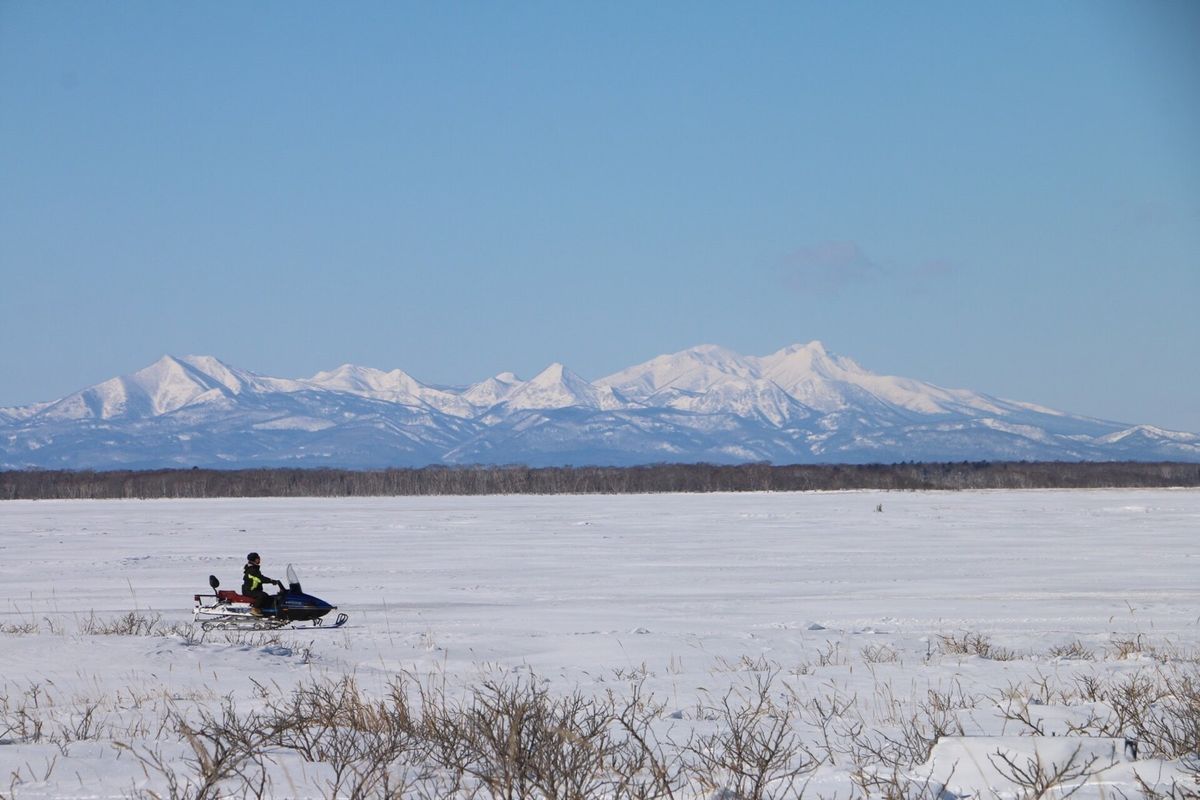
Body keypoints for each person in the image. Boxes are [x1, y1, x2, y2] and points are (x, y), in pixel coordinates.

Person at [242, 552, 283, 616]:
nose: (259, 560)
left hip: (252, 590)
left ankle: (263, 610)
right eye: (258, 558)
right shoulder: (252, 570)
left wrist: (272, 581)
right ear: (254, 559)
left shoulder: (253, 568)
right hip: (249, 590)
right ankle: (254, 609)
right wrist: (272, 581)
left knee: (267, 596)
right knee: (262, 595)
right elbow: (260, 579)